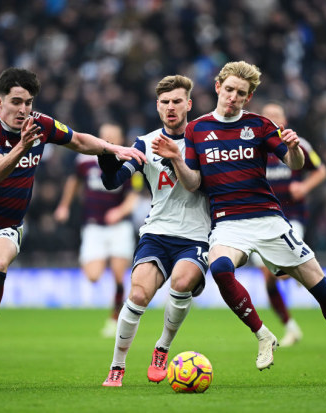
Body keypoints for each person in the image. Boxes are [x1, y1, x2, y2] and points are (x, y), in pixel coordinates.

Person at [0, 67, 145, 383]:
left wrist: (111, 148)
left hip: (5, 227)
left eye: (29, 103)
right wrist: (21, 146)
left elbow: (77, 140)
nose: (23, 110)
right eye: (16, 102)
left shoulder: (40, 124)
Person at [152, 61, 326, 386]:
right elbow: (193, 184)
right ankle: (263, 334)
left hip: (267, 219)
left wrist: (293, 148)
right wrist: (177, 158)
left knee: (319, 287)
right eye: (230, 89)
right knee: (220, 268)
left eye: (242, 93)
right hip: (227, 222)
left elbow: (294, 163)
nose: (234, 97)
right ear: (219, 86)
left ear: (248, 98)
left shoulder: (260, 125)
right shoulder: (197, 129)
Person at [100, 75, 210, 387]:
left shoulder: (203, 140)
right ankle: (117, 367)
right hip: (157, 232)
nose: (171, 107)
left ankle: (162, 348)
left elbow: (195, 184)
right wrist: (106, 160)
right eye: (165, 102)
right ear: (157, 106)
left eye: (177, 101)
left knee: (182, 281)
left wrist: (175, 156)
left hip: (196, 233)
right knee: (137, 294)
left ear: (188, 104)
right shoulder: (145, 143)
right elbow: (114, 181)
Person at [250, 102, 326, 347]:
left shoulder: (298, 143)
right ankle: (290, 327)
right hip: (261, 218)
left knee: (280, 273)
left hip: (291, 217)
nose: (273, 119)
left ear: (284, 119)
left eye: (277, 115)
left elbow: (321, 170)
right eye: (268, 115)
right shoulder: (253, 145)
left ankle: (297, 267)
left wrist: (304, 187)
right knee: (269, 277)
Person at [54, 123, 139, 338]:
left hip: (119, 226)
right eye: (105, 136)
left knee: (120, 274)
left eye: (113, 136)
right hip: (93, 224)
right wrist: (64, 205)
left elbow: (133, 194)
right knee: (93, 276)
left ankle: (115, 317)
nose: (108, 140)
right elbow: (74, 181)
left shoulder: (127, 159)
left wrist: (119, 212)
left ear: (120, 138)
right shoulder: (84, 160)